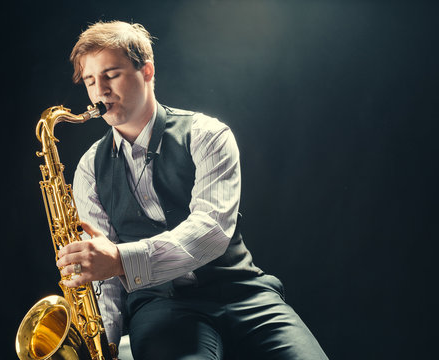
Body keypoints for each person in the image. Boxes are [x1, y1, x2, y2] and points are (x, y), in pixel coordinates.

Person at [56, 20, 328, 360]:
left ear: (147, 71)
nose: (100, 92)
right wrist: (103, 352)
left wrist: (121, 259)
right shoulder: (88, 169)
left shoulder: (207, 134)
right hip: (160, 308)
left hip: (242, 293)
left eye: (111, 74)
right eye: (90, 80)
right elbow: (105, 283)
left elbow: (211, 231)